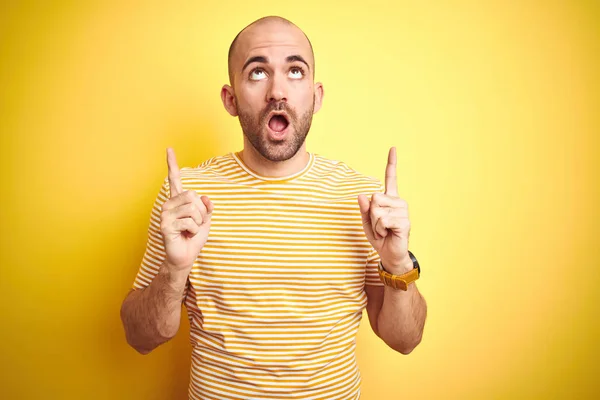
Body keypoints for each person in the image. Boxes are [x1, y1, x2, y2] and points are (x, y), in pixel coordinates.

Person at [120, 15, 427, 400]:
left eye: (295, 71)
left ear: (316, 97)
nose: (277, 91)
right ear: (231, 100)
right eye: (257, 73)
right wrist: (174, 270)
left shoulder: (362, 199)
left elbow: (405, 340)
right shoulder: (187, 197)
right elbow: (140, 337)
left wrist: (397, 264)